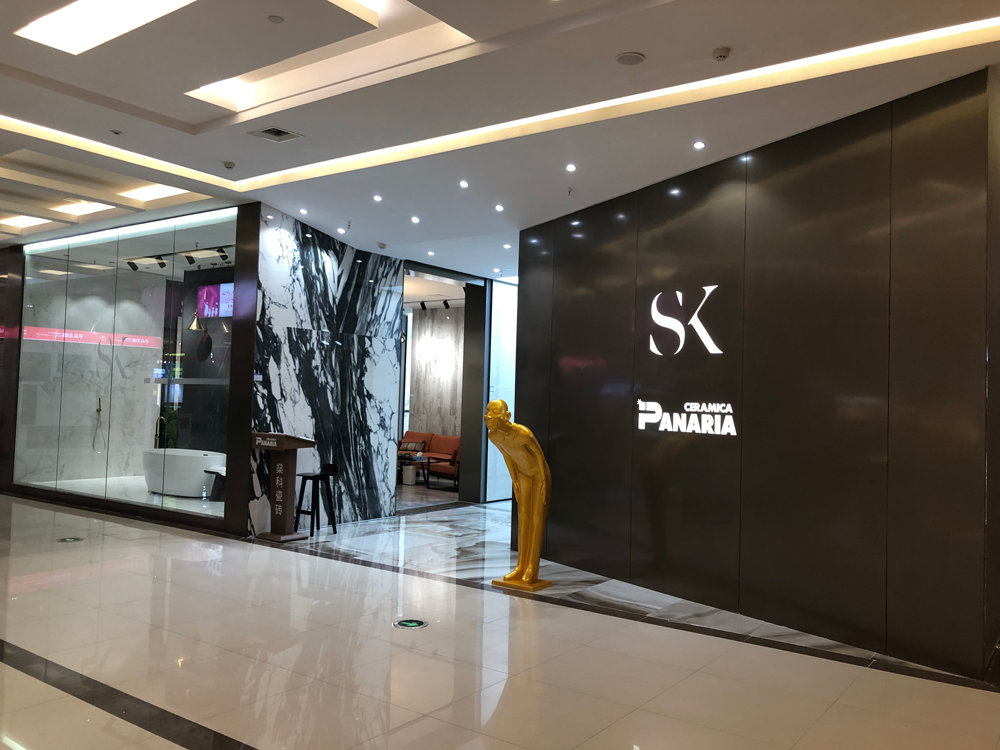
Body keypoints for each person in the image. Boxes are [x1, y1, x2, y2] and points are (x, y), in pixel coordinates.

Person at [484, 399, 552, 590]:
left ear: (507, 416)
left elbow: (539, 457)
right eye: (487, 411)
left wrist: (544, 483)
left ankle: (532, 568)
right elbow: (507, 456)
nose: (488, 416)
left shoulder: (523, 433)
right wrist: (514, 480)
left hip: (538, 476)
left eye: (494, 412)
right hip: (522, 476)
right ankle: (520, 567)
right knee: (523, 520)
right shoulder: (494, 436)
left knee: (536, 521)